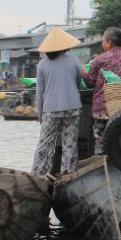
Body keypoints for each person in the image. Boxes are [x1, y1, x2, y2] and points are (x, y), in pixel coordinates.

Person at [31, 27, 87, 176]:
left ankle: (38, 174)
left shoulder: (42, 64)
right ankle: (67, 173)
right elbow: (78, 84)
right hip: (73, 107)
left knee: (45, 143)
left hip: (50, 109)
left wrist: (39, 113)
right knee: (70, 142)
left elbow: (40, 92)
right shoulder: (75, 61)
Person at [84, 27, 121, 154]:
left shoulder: (100, 59)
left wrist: (83, 73)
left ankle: (101, 168)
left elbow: (90, 82)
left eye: (103, 40)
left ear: (108, 42)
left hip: (103, 109)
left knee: (101, 144)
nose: (102, 44)